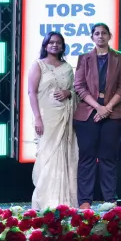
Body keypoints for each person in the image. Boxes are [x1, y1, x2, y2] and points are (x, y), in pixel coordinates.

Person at [74, 24, 121, 209]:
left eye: (104, 33)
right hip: (87, 114)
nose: (100, 36)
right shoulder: (84, 58)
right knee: (87, 157)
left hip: (112, 114)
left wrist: (107, 108)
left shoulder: (120, 58)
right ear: (92, 37)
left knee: (108, 158)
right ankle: (85, 201)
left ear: (109, 36)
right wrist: (98, 107)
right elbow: (79, 86)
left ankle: (109, 200)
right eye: (97, 33)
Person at [28, 31, 78, 210]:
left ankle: (64, 201)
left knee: (63, 156)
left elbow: (76, 91)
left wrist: (68, 93)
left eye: (58, 43)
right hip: (46, 119)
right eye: (51, 42)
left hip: (65, 119)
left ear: (63, 46)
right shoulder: (38, 65)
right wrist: (37, 118)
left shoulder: (67, 67)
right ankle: (46, 201)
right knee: (48, 156)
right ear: (45, 45)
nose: (55, 45)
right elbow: (31, 92)